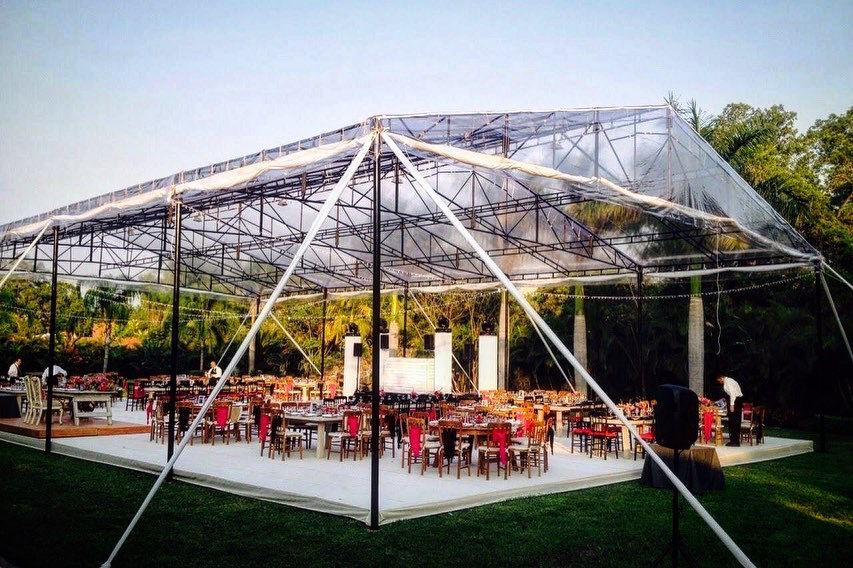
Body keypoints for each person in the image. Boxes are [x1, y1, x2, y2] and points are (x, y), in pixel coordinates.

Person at [716, 374, 743, 446]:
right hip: (736, 401)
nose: (719, 382)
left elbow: (733, 394)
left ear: (721, 378)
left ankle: (735, 442)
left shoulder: (728, 382)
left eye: (719, 380)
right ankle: (734, 440)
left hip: (735, 402)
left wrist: (732, 405)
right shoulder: (730, 381)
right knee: (733, 422)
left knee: (734, 422)